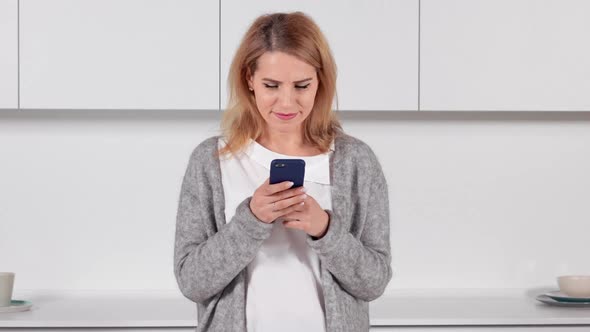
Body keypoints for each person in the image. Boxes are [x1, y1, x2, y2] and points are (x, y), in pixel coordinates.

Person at [174, 11, 392, 332]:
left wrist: (325, 230)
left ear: (321, 81)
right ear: (249, 78)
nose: (287, 102)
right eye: (271, 85)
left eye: (302, 85)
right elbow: (192, 282)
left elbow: (374, 282)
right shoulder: (211, 160)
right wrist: (251, 220)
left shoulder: (356, 161)